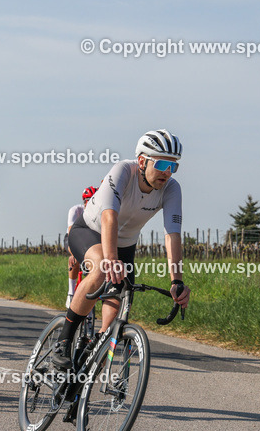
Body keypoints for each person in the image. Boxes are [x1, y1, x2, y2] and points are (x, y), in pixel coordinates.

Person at [53, 130, 191, 371]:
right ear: (142, 161)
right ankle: (64, 340)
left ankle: (97, 345)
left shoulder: (172, 189)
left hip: (125, 245)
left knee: (120, 294)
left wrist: (177, 280)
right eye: (161, 163)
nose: (167, 172)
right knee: (100, 271)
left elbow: (172, 234)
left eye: (173, 166)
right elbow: (109, 217)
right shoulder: (122, 171)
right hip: (90, 231)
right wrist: (111, 259)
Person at [66, 186, 97, 308]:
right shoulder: (75, 211)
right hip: (73, 236)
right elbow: (71, 234)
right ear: (85, 201)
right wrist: (73, 253)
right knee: (75, 260)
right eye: (90, 200)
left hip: (90, 240)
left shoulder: (98, 212)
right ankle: (71, 293)